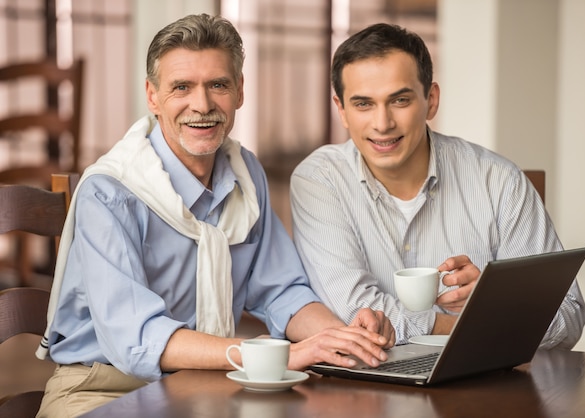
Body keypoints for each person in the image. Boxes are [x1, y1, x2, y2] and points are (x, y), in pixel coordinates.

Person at [35, 14, 395, 418]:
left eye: (218, 85)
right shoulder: (110, 193)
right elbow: (138, 339)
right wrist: (278, 356)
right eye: (181, 87)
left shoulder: (245, 175)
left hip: (203, 383)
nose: (202, 105)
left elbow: (282, 292)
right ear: (153, 96)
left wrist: (341, 338)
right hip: (101, 388)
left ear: (240, 91)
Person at [290, 23, 585, 348]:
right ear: (342, 110)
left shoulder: (499, 181)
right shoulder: (319, 180)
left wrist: (499, 304)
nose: (382, 123)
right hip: (368, 390)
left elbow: (568, 317)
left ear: (431, 100)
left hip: (485, 389)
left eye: (400, 100)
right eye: (363, 104)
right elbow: (349, 310)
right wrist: (471, 325)